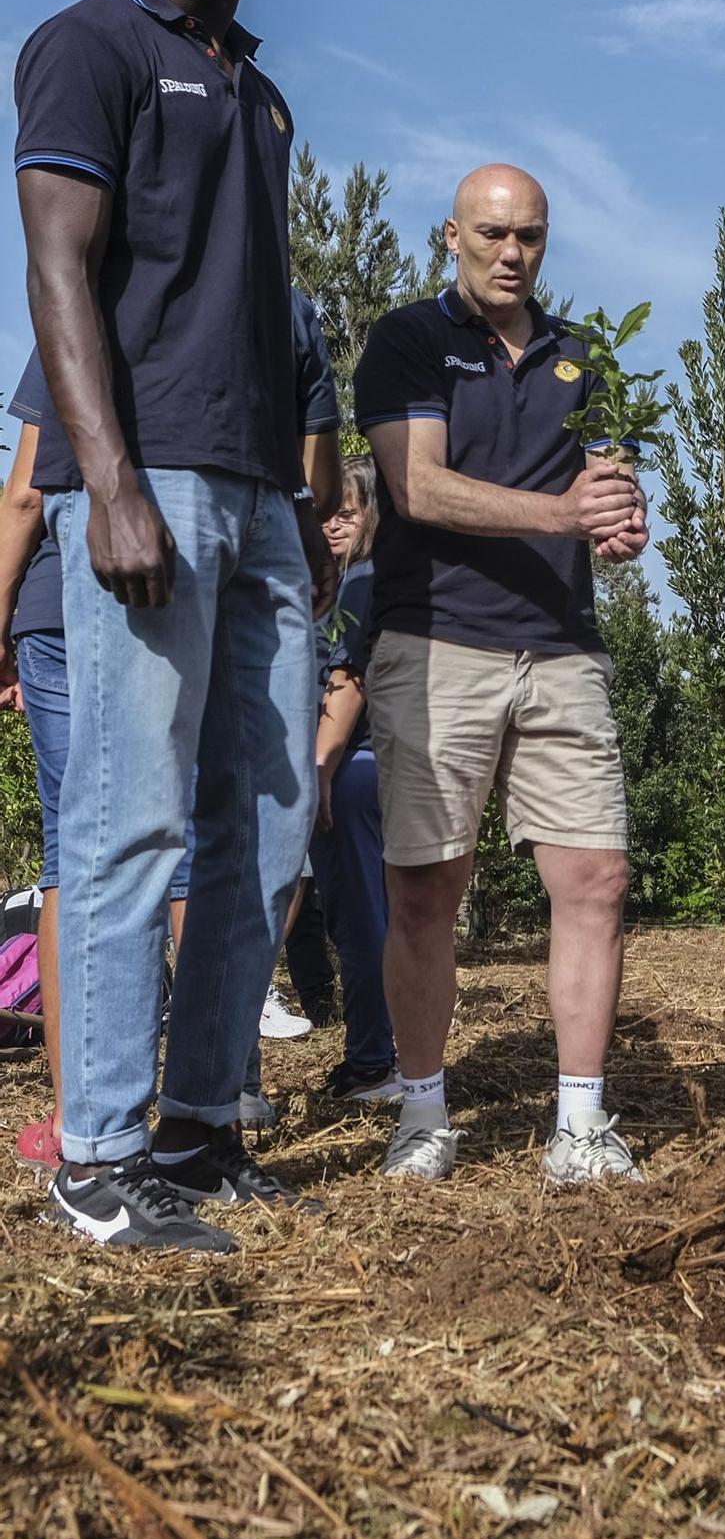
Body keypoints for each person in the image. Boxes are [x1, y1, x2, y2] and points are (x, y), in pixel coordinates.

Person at [14, 0, 336, 1251]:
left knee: (266, 827)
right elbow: (59, 269)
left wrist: (311, 509)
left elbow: (254, 315)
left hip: (265, 500)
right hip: (152, 480)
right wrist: (114, 480)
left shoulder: (260, 97)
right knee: (129, 817)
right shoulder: (92, 46)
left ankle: (203, 1129)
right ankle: (99, 1156)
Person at [353, 163, 648, 1184]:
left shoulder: (582, 356)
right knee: (428, 889)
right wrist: (564, 512)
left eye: (529, 234)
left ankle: (578, 1124)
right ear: (450, 236)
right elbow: (418, 486)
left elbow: (598, 480)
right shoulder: (406, 341)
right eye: (491, 233)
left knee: (595, 878)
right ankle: (424, 1111)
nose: (511, 252)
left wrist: (615, 515)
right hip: (437, 645)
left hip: (563, 644)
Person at [0, 288, 341, 1165]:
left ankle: (88, 1110)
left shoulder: (118, 300)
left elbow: (24, 495)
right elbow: (320, 480)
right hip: (160, 577)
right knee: (181, 836)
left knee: (85, 847)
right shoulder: (281, 311)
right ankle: (203, 1092)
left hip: (68, 603)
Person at [308, 455, 400, 1104]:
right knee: (359, 914)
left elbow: (348, 686)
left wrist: (319, 770)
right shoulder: (340, 581)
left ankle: (373, 1061)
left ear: (371, 515)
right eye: (329, 512)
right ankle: (370, 1055)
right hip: (352, 770)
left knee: (360, 916)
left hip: (349, 772)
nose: (337, 523)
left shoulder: (361, 583)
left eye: (350, 511)